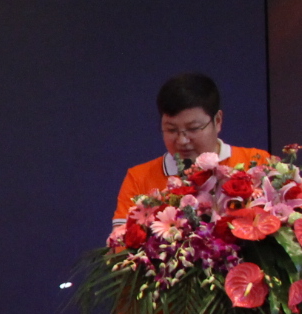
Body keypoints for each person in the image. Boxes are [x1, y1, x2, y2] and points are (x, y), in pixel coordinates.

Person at [114, 72, 270, 226]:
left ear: (217, 121)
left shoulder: (257, 164)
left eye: (193, 128)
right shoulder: (139, 179)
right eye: (171, 130)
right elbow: (121, 239)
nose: (182, 140)